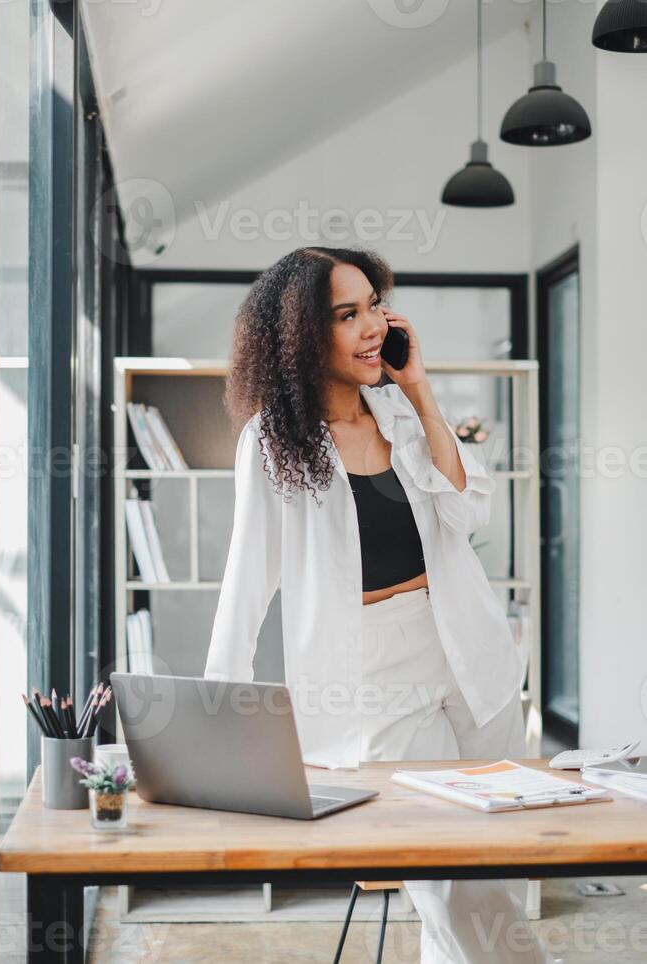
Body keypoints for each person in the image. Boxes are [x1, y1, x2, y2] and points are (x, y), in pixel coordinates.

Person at [204, 246, 555, 963]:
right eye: (346, 314)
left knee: (498, 858)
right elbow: (246, 586)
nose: (373, 326)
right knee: (445, 873)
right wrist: (218, 729)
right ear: (302, 334)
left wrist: (421, 390)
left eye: (374, 305)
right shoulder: (271, 442)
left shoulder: (398, 411)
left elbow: (468, 510)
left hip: (469, 653)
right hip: (373, 678)